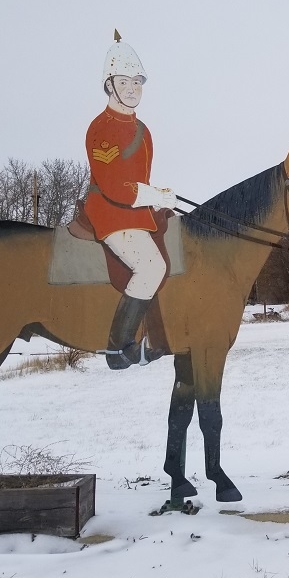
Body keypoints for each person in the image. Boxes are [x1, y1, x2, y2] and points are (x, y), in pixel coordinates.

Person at [84, 33, 176, 369]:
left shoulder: (144, 131)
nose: (133, 88)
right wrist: (154, 195)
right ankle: (116, 349)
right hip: (108, 213)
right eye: (125, 82)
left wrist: (157, 201)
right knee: (152, 266)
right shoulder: (100, 128)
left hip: (136, 214)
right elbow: (113, 186)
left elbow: (139, 182)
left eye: (138, 82)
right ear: (110, 86)